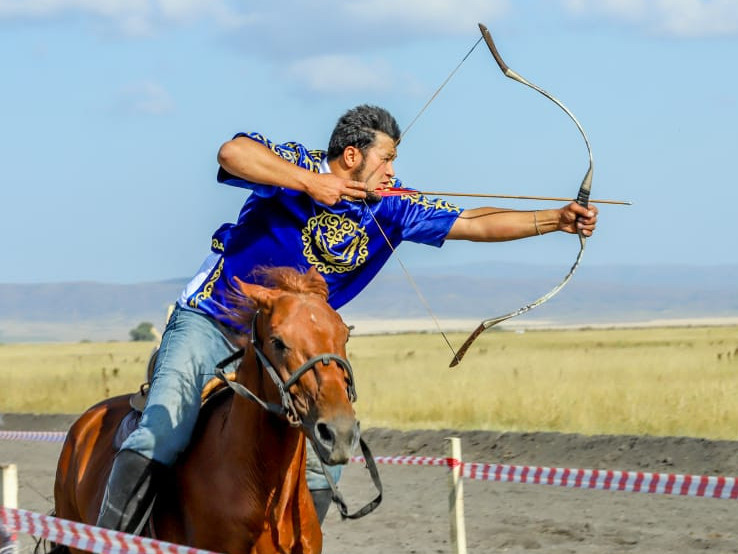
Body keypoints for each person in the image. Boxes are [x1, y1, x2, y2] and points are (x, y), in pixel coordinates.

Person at [96, 104, 598, 532]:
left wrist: (555, 220)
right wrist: (311, 184)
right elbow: (231, 153)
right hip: (215, 322)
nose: (392, 171)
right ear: (352, 155)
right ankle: (109, 542)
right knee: (163, 432)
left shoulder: (393, 205)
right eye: (387, 158)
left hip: (295, 350)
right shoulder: (296, 165)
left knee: (325, 460)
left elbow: (470, 221)